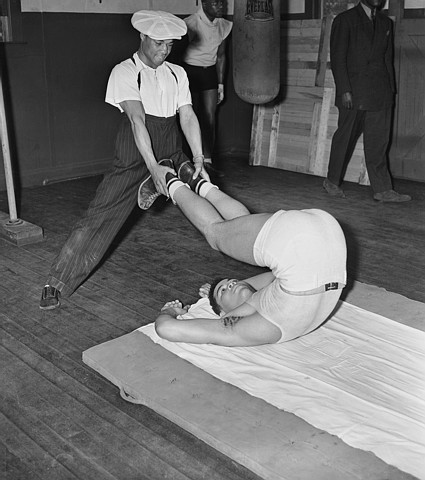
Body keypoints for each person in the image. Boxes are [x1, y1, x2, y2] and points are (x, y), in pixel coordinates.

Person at [39, 10, 210, 310]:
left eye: (169, 45)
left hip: (171, 147)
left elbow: (187, 115)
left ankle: (180, 174)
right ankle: (57, 281)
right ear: (142, 37)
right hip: (137, 151)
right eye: (158, 43)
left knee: (206, 190)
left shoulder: (177, 73)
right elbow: (136, 120)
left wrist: (198, 158)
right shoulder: (124, 72)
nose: (164, 50)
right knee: (99, 214)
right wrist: (152, 167)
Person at [153, 164, 347, 347]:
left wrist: (171, 310)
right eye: (224, 291)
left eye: (230, 283)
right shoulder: (239, 326)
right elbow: (165, 327)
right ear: (223, 313)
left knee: (238, 227)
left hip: (323, 235)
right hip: (322, 236)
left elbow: (165, 325)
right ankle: (168, 180)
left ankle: (185, 180)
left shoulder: (270, 307)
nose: (232, 284)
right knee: (215, 234)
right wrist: (173, 311)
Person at [323, 0, 411, 203]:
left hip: (380, 92)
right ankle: (332, 181)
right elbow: (338, 58)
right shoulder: (345, 20)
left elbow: (387, 59)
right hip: (353, 93)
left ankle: (382, 189)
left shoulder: (385, 23)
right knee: (345, 139)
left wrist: (391, 89)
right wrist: (344, 90)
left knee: (379, 142)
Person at [182, 0, 232, 177]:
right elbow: (178, 55)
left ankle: (207, 162)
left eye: (222, 3)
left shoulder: (224, 26)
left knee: (209, 118)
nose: (220, 7)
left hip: (209, 72)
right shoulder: (190, 24)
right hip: (189, 72)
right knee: (189, 117)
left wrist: (220, 84)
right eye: (215, 3)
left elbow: (221, 56)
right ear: (203, 3)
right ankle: (187, 163)